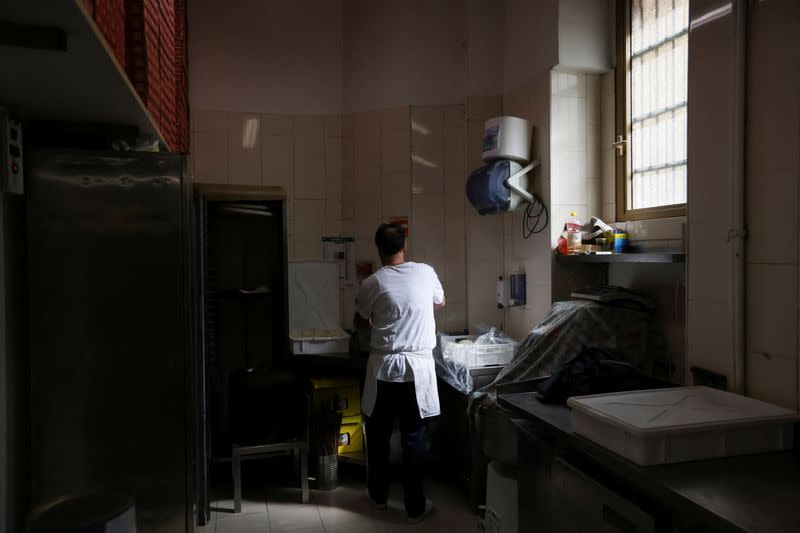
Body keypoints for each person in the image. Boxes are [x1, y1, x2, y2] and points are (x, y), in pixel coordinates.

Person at [354, 223, 445, 524]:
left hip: (384, 372)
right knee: (413, 438)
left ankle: (378, 497)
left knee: (378, 436)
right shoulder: (426, 272)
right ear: (405, 245)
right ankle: (415, 507)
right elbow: (438, 303)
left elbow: (359, 319)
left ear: (378, 250)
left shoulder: (373, 283)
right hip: (416, 373)